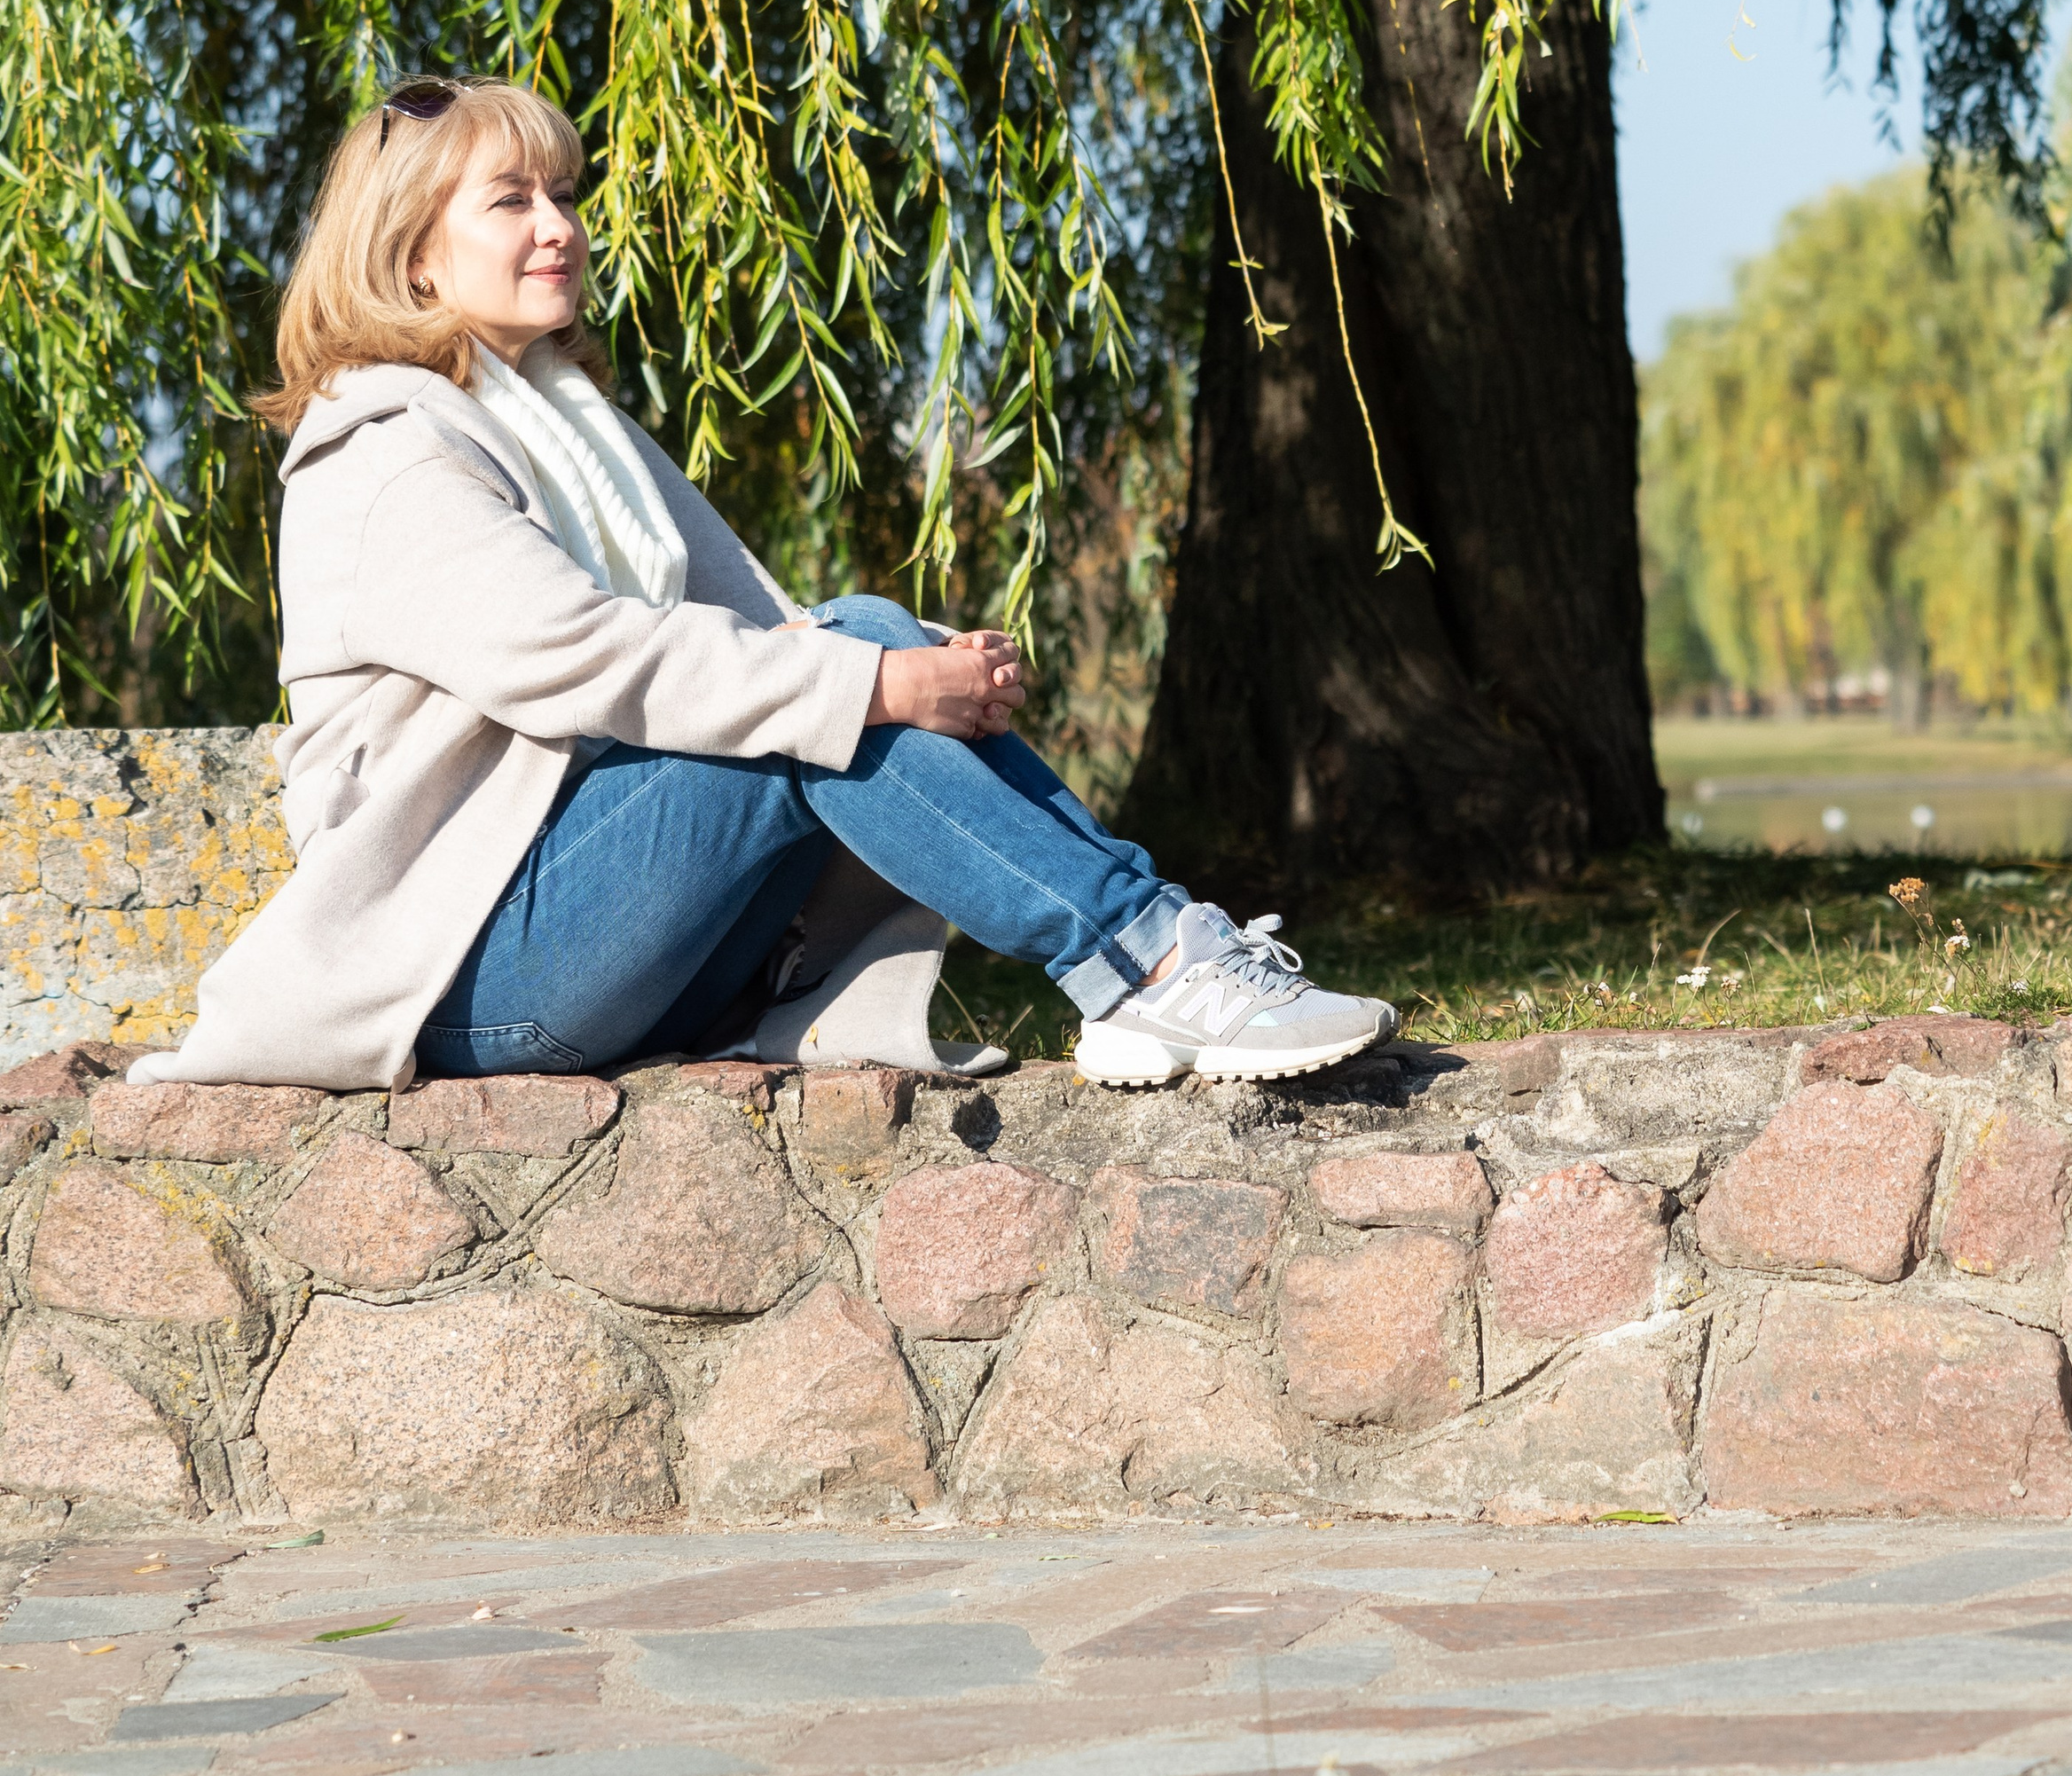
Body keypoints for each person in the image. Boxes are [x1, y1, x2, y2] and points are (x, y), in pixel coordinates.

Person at [128, 76, 1394, 1097]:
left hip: (611, 934)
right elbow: (588, 658)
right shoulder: (388, 452)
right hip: (463, 976)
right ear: (410, 260)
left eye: (562, 193)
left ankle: (1154, 962)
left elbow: (766, 628)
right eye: (510, 201)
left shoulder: (568, 423)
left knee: (860, 644)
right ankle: (1149, 961)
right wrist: (877, 681)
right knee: (837, 690)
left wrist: (920, 666)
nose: (560, 225)